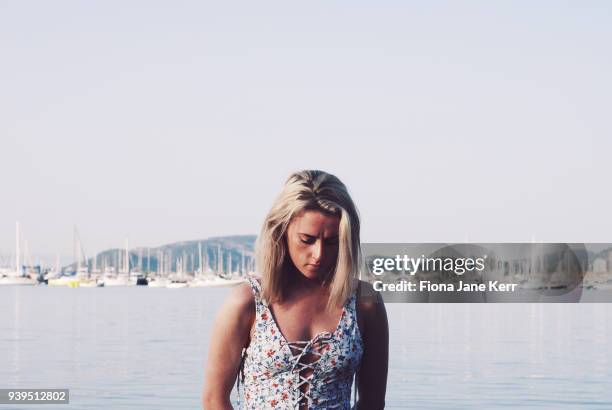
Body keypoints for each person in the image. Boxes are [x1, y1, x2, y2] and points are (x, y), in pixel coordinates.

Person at [202, 170, 388, 409]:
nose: (319, 254)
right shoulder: (248, 301)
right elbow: (213, 400)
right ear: (281, 232)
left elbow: (372, 402)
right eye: (307, 239)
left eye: (332, 242)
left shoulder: (364, 302)